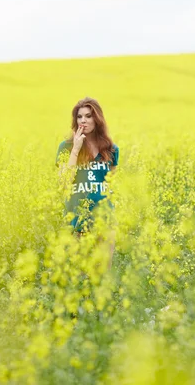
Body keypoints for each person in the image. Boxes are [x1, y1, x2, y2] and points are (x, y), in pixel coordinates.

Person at [55, 97, 119, 267]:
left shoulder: (111, 149)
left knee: (102, 276)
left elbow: (110, 185)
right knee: (80, 276)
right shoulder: (65, 147)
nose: (83, 120)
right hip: (77, 220)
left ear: (97, 119)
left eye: (89, 116)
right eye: (79, 116)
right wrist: (76, 149)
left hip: (104, 220)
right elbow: (63, 182)